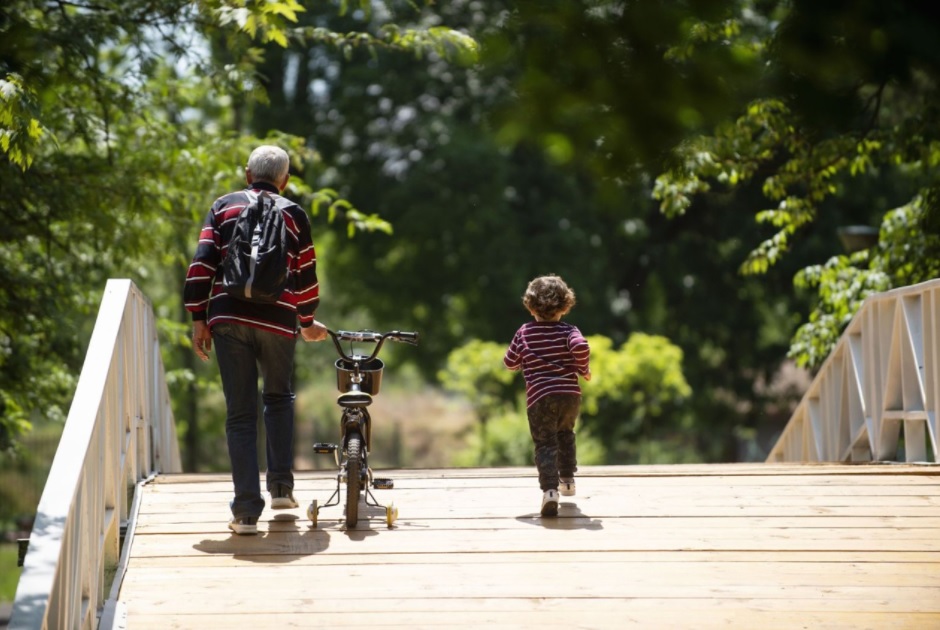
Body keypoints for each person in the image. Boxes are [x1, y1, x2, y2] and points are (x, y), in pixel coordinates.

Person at [183, 145, 328, 535]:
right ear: (286, 181)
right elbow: (306, 278)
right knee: (278, 398)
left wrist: (199, 317)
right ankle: (281, 488)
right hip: (279, 321)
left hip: (228, 317)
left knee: (240, 413)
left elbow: (202, 264)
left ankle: (246, 511)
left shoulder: (224, 205)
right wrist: (307, 320)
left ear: (247, 174)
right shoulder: (294, 214)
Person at [503, 274, 591, 517]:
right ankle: (567, 480)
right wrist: (583, 369)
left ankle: (550, 491)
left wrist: (521, 361)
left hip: (540, 397)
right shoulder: (569, 330)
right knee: (565, 434)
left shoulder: (524, 332)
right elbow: (581, 347)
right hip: (570, 396)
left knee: (545, 443)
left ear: (530, 306)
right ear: (565, 306)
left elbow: (509, 362)